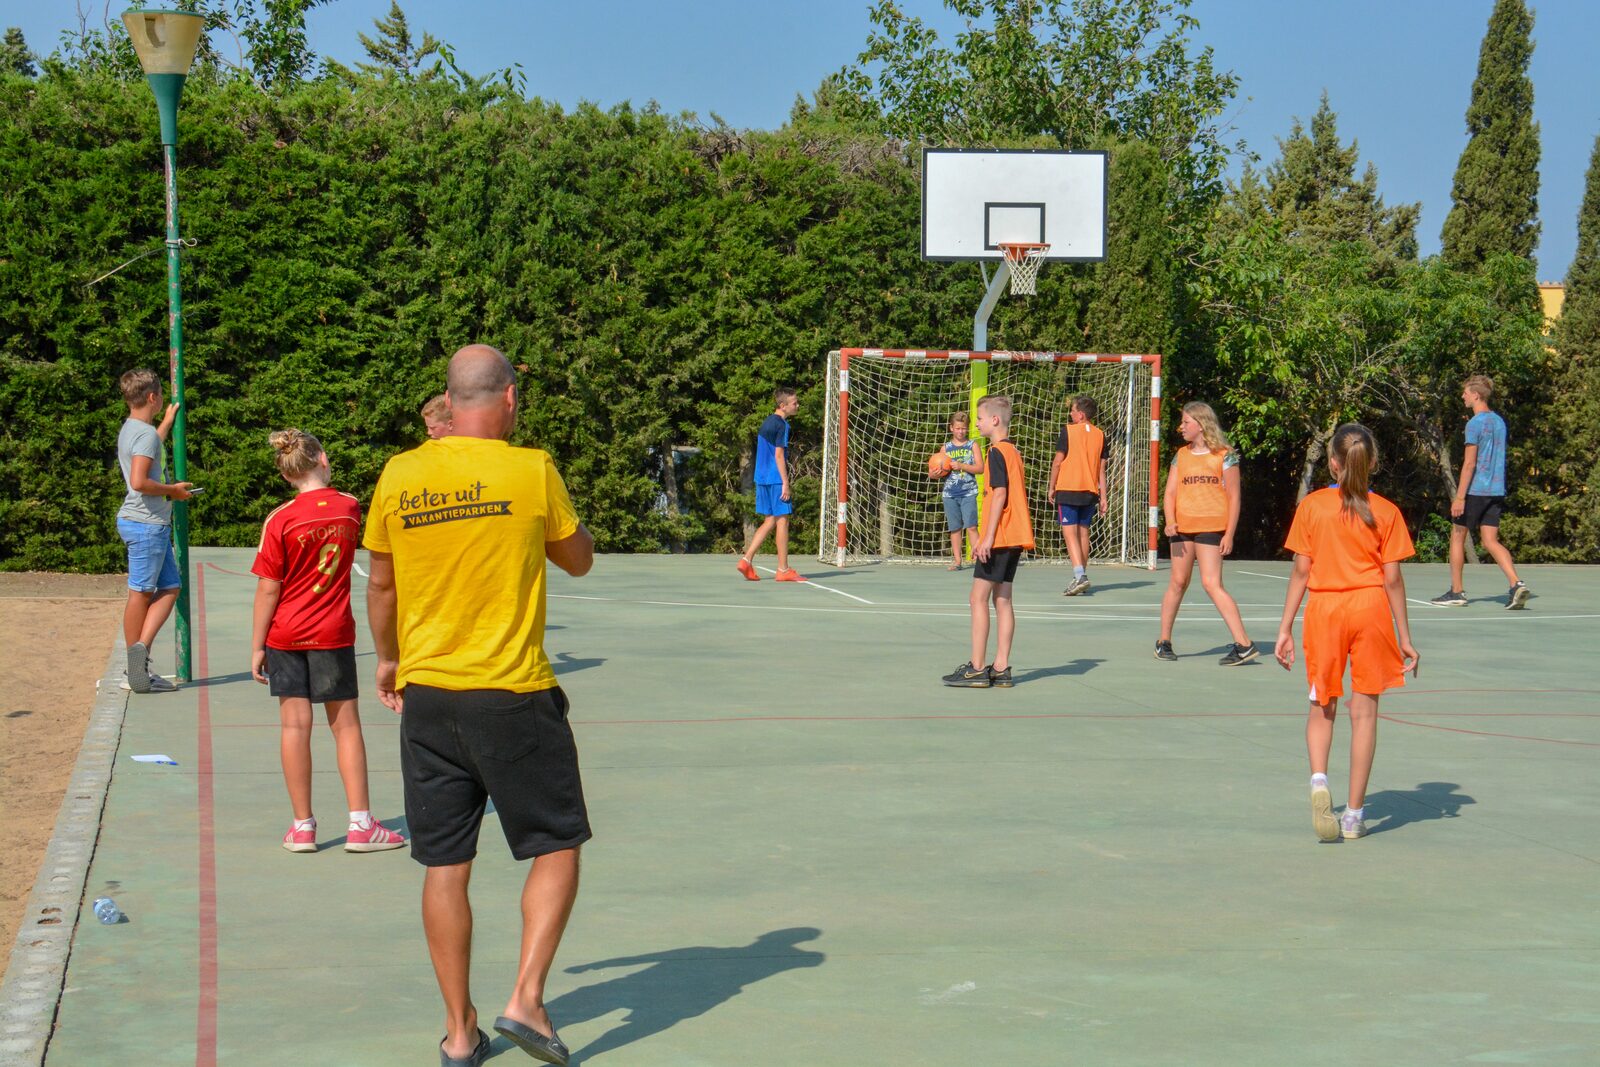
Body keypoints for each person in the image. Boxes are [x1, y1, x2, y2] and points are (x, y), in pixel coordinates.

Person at [365, 344, 595, 1067]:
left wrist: (391, 658)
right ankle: (525, 995)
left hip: (429, 697)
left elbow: (380, 585)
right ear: (508, 400)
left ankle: (460, 1033)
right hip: (513, 692)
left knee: (444, 863)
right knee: (557, 842)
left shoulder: (400, 473)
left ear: (449, 399)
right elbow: (578, 556)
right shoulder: (530, 468)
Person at [249, 429, 406, 856]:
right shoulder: (350, 507)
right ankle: (361, 824)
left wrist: (257, 644)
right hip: (332, 633)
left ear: (285, 475)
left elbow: (268, 588)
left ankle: (302, 827)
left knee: (294, 728)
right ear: (323, 457)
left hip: (285, 634)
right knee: (347, 727)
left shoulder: (280, 519)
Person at [1274, 423, 1419, 842]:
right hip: (1370, 608)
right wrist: (1405, 636)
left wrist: (1284, 628)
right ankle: (1354, 815)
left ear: (1333, 463)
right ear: (1372, 463)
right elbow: (1392, 579)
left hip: (1326, 609)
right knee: (1366, 712)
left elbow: (1302, 570)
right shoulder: (1387, 512)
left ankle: (1319, 781)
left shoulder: (1314, 507)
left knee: (1323, 704)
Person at [1154, 402, 1259, 665]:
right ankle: (1163, 642)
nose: (1182, 427)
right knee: (1177, 583)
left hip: (1211, 527)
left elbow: (1234, 497)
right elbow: (1170, 492)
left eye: (1186, 422)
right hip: (1182, 529)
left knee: (1212, 584)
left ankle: (1244, 644)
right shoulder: (1181, 455)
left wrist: (1229, 533)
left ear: (1201, 424)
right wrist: (1170, 521)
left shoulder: (1225, 455)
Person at [943, 395, 1033, 689]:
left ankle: (978, 668)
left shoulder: (995, 452)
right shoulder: (1013, 451)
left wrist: (987, 537)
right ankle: (1001, 667)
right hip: (1016, 535)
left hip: (1001, 536)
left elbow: (999, 494)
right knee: (1003, 600)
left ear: (994, 420)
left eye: (980, 418)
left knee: (977, 598)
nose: (976, 423)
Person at [115, 368, 193, 693]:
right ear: (152, 397)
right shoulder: (143, 435)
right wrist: (173, 491)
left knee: (170, 588)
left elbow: (150, 446)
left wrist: (166, 422)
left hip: (148, 525)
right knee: (142, 593)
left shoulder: (135, 429)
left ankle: (139, 657)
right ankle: (133, 669)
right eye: (161, 395)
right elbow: (139, 481)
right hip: (146, 525)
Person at [1432, 375, 1530, 609]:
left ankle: (1456, 592)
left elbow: (1469, 464)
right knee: (1490, 540)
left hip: (1476, 491)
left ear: (1476, 395)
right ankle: (1517, 584)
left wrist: (1459, 496)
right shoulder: (1499, 422)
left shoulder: (1474, 424)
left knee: (1457, 535)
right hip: (1496, 491)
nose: (1463, 396)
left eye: (1466, 392)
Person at [735, 387, 805, 583]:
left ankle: (746, 560)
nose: (797, 405)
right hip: (775, 479)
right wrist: (785, 482)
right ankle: (783, 569)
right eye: (794, 403)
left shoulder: (767, 421)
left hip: (761, 477)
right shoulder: (782, 425)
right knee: (782, 521)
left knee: (770, 521)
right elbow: (779, 455)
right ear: (782, 406)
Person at [1047, 394, 1108, 595]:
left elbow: (1057, 462)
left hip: (1069, 487)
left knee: (1069, 533)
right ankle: (1080, 576)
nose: (1070, 413)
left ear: (1081, 415)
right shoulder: (1100, 434)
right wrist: (1104, 497)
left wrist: (1051, 486)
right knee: (1083, 533)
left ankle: (1080, 575)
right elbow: (1101, 469)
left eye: (1072, 410)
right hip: (1090, 491)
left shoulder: (1069, 431)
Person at [934, 410, 983, 570]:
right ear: (951, 428)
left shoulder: (972, 445)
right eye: (958, 428)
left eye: (963, 428)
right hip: (950, 494)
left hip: (968, 492)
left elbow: (980, 468)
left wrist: (962, 466)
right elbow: (934, 472)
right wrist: (935, 473)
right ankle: (957, 561)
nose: (961, 431)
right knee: (954, 528)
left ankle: (980, 560)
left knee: (971, 526)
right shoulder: (945, 448)